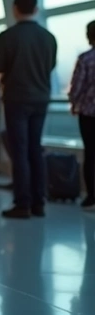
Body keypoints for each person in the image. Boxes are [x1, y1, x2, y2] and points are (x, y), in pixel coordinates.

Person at [0, 0, 57, 219]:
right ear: (36, 9)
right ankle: (39, 202)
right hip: (41, 98)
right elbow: (50, 66)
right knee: (35, 149)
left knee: (19, 151)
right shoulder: (48, 37)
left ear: (15, 9)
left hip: (16, 98)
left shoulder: (8, 36)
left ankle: (22, 203)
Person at [69, 21, 95, 210]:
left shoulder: (85, 59)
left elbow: (77, 87)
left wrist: (73, 102)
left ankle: (91, 196)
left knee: (91, 154)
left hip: (89, 113)